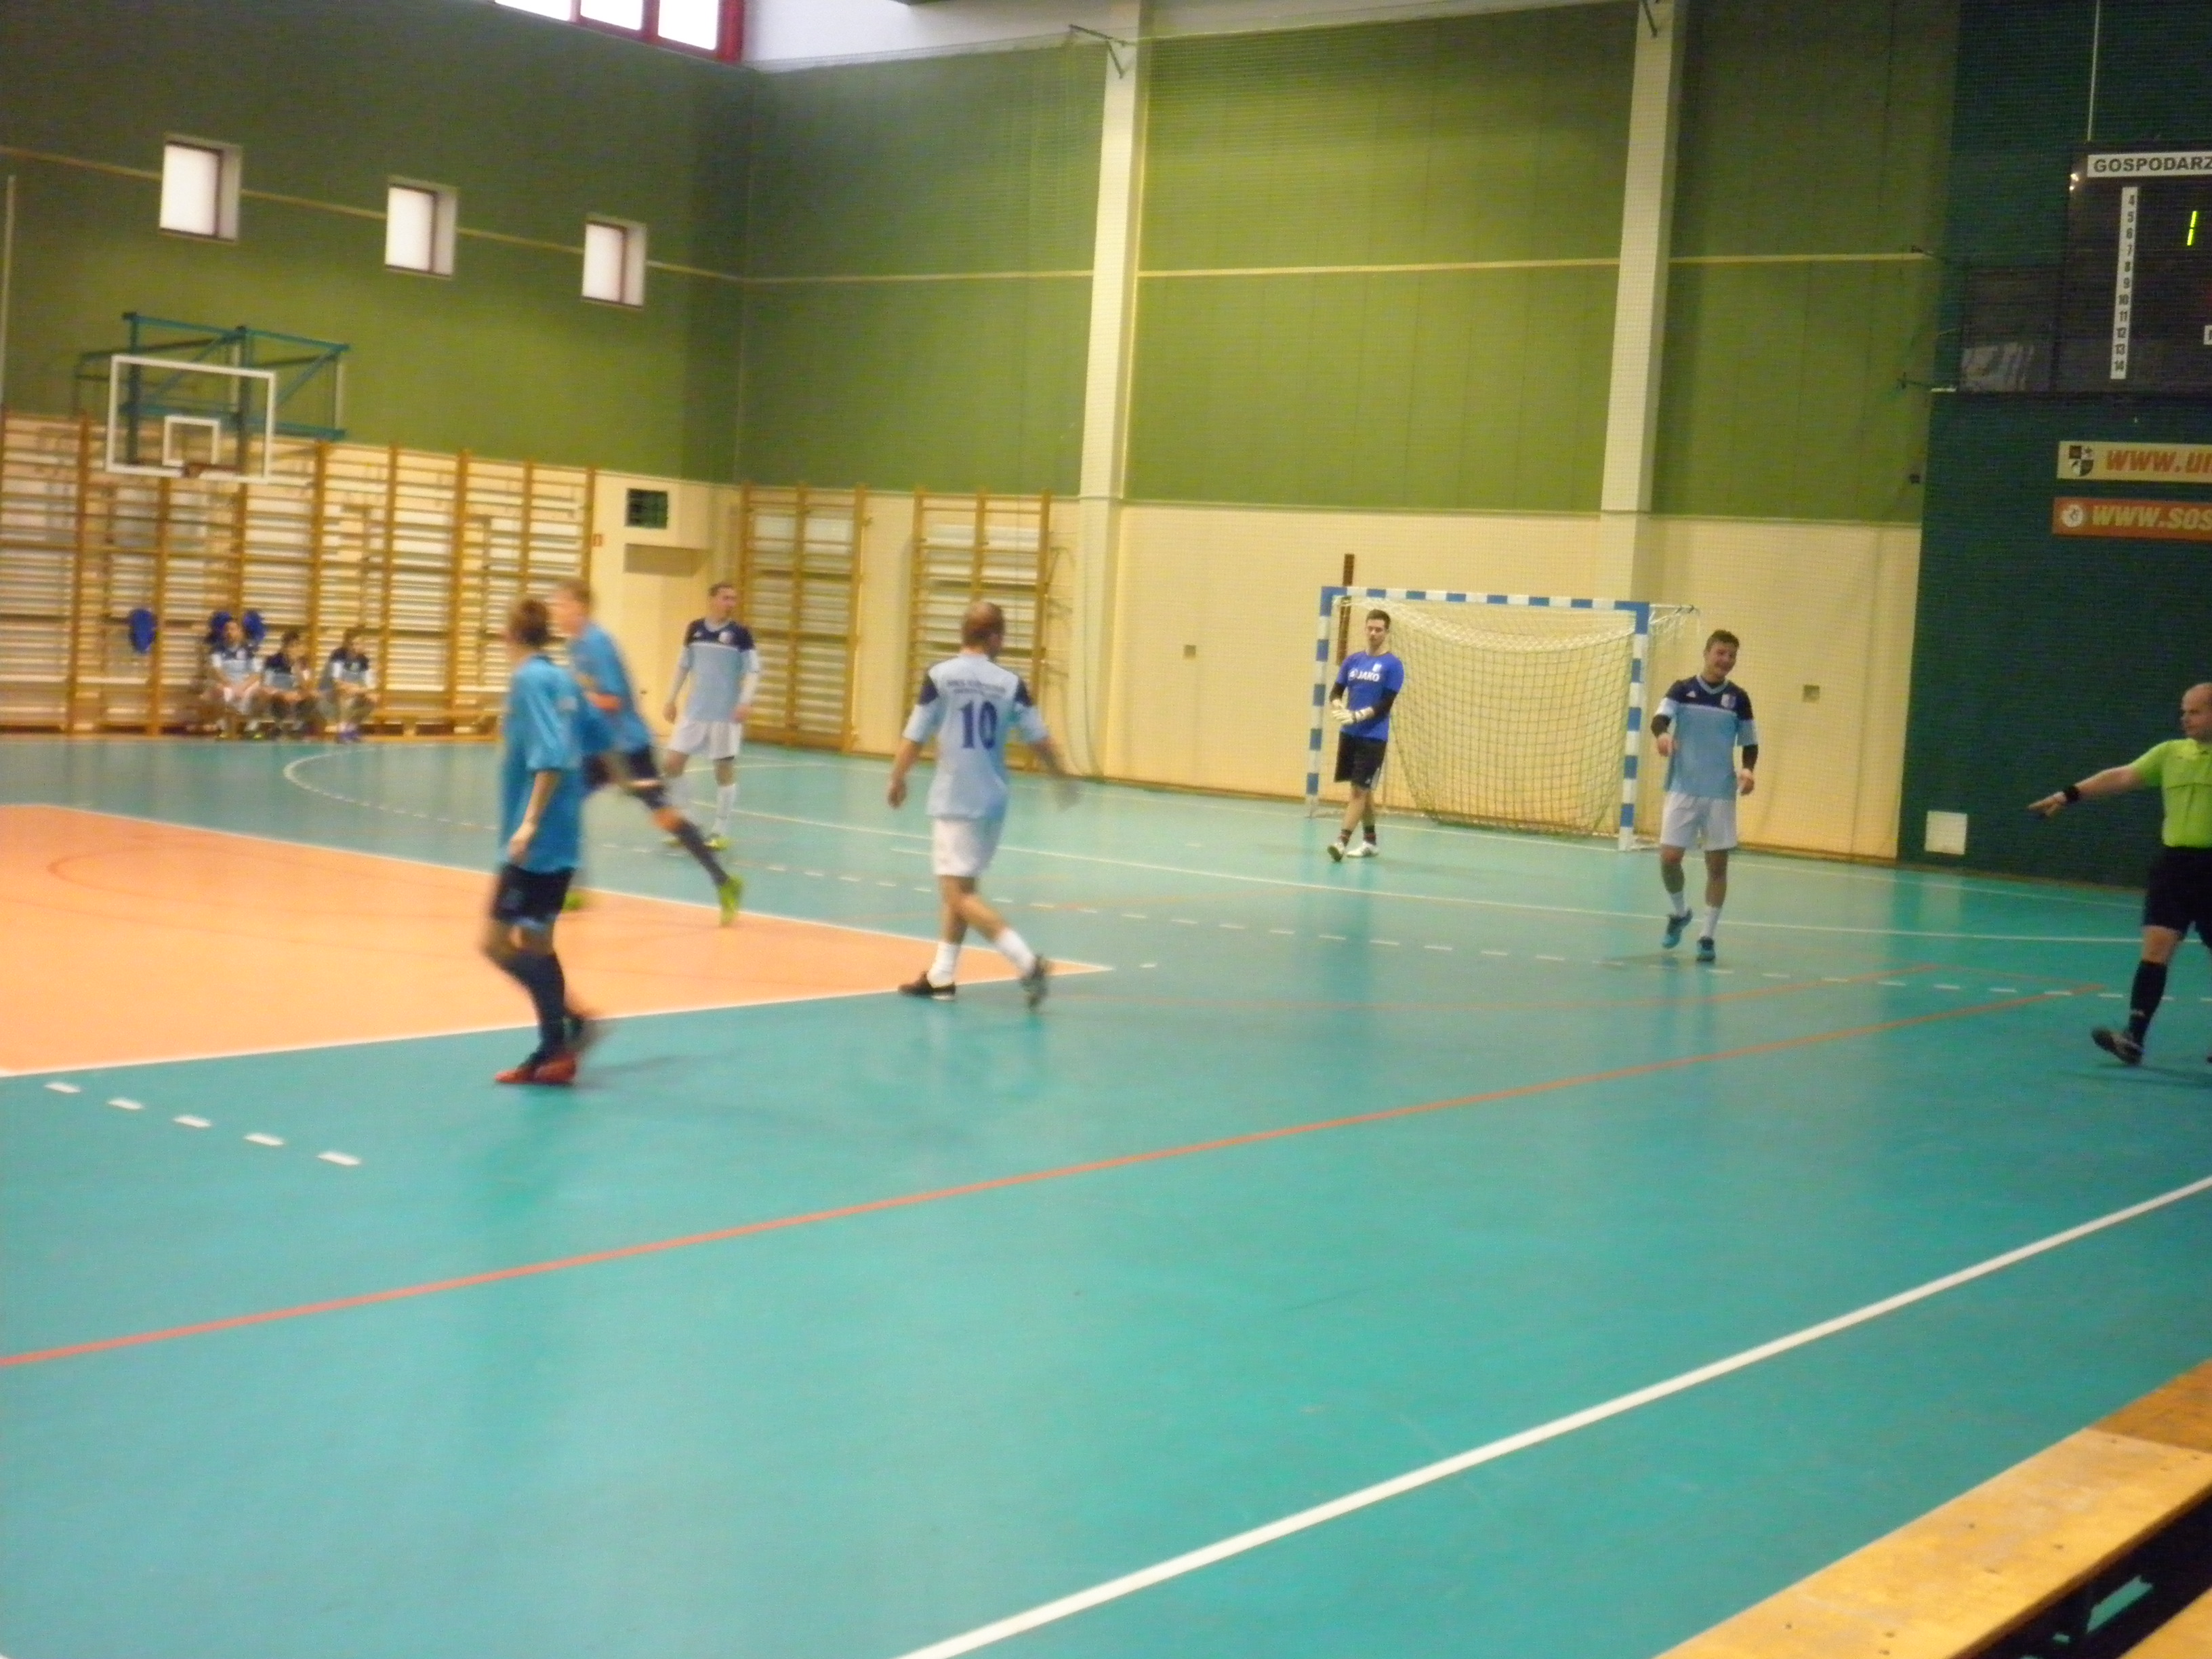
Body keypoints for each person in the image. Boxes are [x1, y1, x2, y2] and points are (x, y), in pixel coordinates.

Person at [886, 600, 1071, 1006]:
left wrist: (897, 777)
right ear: (995, 638)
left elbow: (916, 734)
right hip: (992, 800)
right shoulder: (1011, 683)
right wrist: (1060, 776)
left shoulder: (940, 677)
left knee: (958, 894)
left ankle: (1027, 963)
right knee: (962, 886)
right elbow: (1040, 739)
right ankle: (942, 975)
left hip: (956, 797)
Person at [2030, 682, 2212, 1065]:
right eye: (2184, 711)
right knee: (2157, 947)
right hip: (2176, 867)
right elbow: (2121, 777)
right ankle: (2133, 1038)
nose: (2185, 719)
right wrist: (2068, 795)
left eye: (2194, 712)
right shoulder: (2171, 753)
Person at [546, 577, 743, 925]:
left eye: (562, 604)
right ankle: (575, 888)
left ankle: (724, 881)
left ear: (580, 607)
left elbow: (612, 700)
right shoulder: (574, 646)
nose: (556, 610)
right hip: (601, 749)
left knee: (665, 817)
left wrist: (571, 700)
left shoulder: (598, 644)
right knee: (563, 803)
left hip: (629, 748)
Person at [482, 597, 595, 1086]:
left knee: (495, 944)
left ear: (510, 635)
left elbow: (550, 756)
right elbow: (589, 739)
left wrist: (528, 823)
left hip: (537, 842)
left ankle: (569, 1020)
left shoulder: (529, 679)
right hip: (564, 834)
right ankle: (556, 1051)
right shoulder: (563, 679)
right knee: (536, 943)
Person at [1653, 630, 1759, 963]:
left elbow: (1750, 742)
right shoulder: (1682, 689)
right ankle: (1680, 912)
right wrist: (1663, 736)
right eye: (1720, 653)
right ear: (1707, 653)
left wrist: (1748, 770)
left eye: (1732, 655)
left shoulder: (1739, 698)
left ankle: (1707, 936)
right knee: (1670, 858)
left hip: (1720, 794)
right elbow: (1660, 719)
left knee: (1717, 865)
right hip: (1682, 788)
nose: (1725, 660)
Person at [661, 581, 759, 851]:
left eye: (734, 599)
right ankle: (688, 825)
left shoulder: (740, 634)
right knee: (672, 764)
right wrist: (671, 699)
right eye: (726, 598)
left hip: (724, 715)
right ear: (712, 599)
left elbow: (753, 671)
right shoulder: (694, 629)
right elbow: (683, 666)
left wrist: (745, 702)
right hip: (695, 712)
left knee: (723, 770)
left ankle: (720, 830)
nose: (731, 603)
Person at [1326, 609, 1404, 861]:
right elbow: (1336, 691)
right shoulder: (1353, 661)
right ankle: (1370, 842)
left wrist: (1360, 715)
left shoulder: (1393, 665)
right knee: (1364, 789)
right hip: (1350, 734)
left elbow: (1386, 703)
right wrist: (1338, 706)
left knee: (1358, 791)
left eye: (1378, 630)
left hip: (1373, 737)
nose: (1373, 633)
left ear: (1386, 632)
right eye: (1370, 628)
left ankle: (1341, 842)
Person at [201, 617, 261, 738]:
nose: (229, 632)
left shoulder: (249, 649)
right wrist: (232, 687)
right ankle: (222, 726)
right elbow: (217, 671)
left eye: (233, 629)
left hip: (244, 686)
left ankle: (252, 728)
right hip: (227, 685)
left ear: (240, 632)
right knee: (208, 695)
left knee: (262, 693)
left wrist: (242, 687)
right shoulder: (217, 649)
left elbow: (256, 674)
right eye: (227, 629)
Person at [320, 628, 377, 741]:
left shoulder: (364, 660)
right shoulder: (337, 656)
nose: (354, 647)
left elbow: (370, 686)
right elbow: (336, 683)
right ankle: (341, 732)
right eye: (352, 644)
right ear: (346, 644)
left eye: (358, 644)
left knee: (372, 699)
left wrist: (357, 690)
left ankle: (351, 729)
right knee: (344, 694)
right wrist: (352, 688)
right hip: (329, 695)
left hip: (353, 692)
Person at [260, 630, 313, 737]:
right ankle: (278, 727)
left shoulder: (304, 663)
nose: (294, 649)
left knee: (312, 696)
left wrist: (296, 666)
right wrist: (282, 694)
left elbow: (306, 687)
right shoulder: (272, 661)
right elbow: (266, 685)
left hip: (295, 696)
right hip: (278, 695)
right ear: (284, 647)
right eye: (291, 646)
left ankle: (298, 728)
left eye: (297, 646)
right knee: (276, 698)